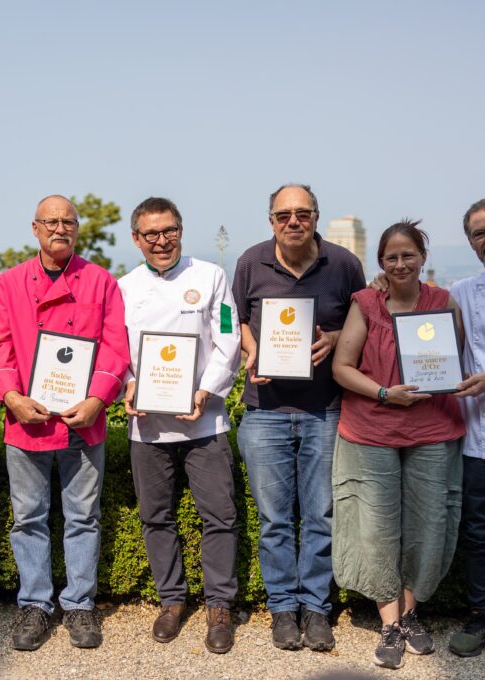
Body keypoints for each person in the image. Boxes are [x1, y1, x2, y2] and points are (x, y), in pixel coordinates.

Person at [0, 194, 129, 651]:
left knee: (83, 517)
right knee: (27, 518)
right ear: (35, 228)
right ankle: (35, 604)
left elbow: (115, 347)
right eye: (51, 222)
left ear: (78, 228)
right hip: (26, 420)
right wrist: (11, 396)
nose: (60, 229)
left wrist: (97, 399)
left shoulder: (102, 281)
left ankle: (80, 605)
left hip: (81, 421)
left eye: (68, 222)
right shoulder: (8, 283)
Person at [232, 183, 365, 652]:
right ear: (271, 220)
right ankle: (283, 609)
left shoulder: (344, 264)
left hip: (324, 410)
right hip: (264, 412)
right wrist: (252, 350)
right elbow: (240, 321)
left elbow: (362, 320)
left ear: (315, 218)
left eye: (302, 214)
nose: (293, 222)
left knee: (321, 515)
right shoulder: (250, 262)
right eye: (284, 214)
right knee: (273, 520)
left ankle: (316, 608)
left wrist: (331, 339)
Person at [331, 220, 465, 670]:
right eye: (392, 257)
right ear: (381, 262)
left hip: (433, 430)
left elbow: (453, 361)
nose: (401, 263)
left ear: (423, 258)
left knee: (428, 524)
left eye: (409, 255)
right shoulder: (365, 303)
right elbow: (342, 367)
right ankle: (388, 621)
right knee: (376, 528)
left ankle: (410, 614)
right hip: (371, 429)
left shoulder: (443, 302)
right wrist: (386, 392)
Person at [119, 197, 241, 653]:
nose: (161, 240)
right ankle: (171, 601)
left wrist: (206, 390)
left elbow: (227, 336)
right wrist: (129, 385)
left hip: (204, 420)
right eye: (151, 233)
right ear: (137, 239)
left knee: (220, 516)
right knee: (155, 517)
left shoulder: (210, 275)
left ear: (181, 231)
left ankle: (220, 605)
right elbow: (115, 349)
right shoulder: (123, 287)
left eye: (169, 230)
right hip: (147, 427)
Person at [446, 198, 485, 658]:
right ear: (470, 243)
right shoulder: (463, 290)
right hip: (482, 438)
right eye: (480, 234)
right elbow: (429, 331)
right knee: (481, 534)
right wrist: (385, 284)